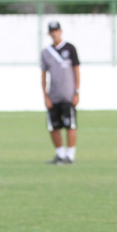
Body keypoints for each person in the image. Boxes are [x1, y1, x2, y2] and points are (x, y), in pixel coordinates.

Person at [41, 21, 80, 164]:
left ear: (61, 31)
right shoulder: (46, 52)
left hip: (68, 94)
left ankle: (70, 155)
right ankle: (60, 154)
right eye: (52, 31)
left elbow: (76, 70)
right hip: (53, 95)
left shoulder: (70, 48)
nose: (54, 33)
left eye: (56, 30)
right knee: (54, 126)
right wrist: (45, 95)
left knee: (71, 125)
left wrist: (77, 91)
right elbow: (43, 75)